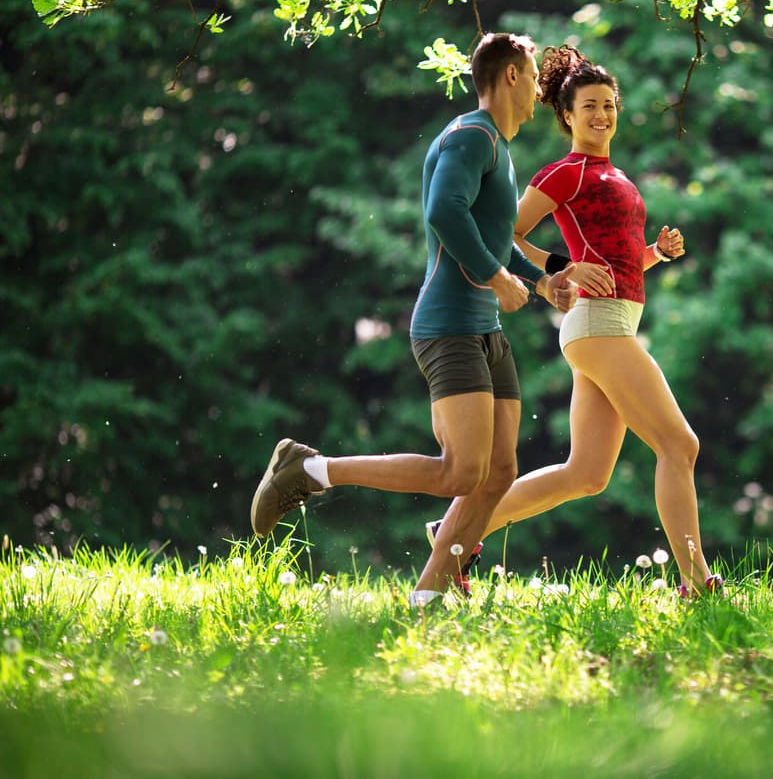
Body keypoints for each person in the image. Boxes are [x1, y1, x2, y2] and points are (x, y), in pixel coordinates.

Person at [249, 32, 577, 606]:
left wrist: (540, 280)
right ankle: (311, 469)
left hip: (485, 330)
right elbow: (443, 210)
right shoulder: (471, 136)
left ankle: (427, 601)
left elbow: (495, 235)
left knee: (499, 472)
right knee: (459, 472)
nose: (538, 93)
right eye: (532, 76)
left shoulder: (497, 146)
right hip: (448, 324)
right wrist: (494, 276)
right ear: (510, 77)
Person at [433, 44, 720, 596]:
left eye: (609, 105)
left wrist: (655, 253)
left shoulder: (616, 175)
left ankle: (452, 533)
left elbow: (616, 264)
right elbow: (503, 233)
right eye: (589, 106)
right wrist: (562, 269)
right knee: (679, 446)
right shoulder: (564, 172)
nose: (602, 115)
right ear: (566, 115)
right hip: (598, 326)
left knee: (586, 474)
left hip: (611, 322)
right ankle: (695, 583)